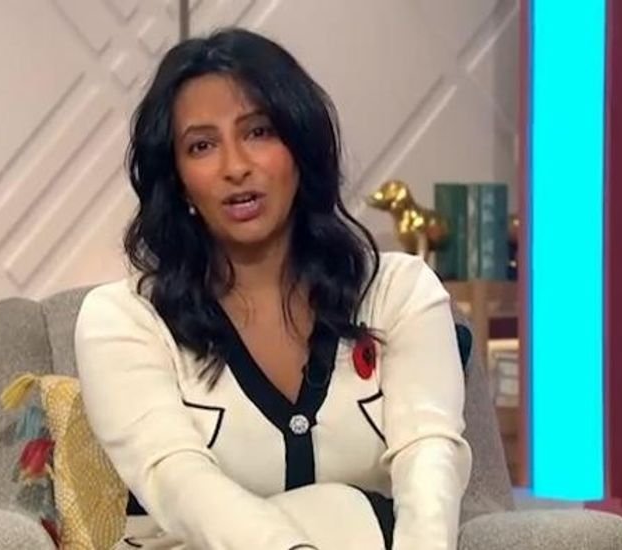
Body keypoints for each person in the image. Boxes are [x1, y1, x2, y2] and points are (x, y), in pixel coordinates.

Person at [75, 27, 471, 550]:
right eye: (201, 145)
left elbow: (429, 457)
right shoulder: (122, 319)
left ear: (300, 148)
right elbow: (178, 480)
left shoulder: (399, 293)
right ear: (178, 178)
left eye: (259, 132)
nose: (236, 167)